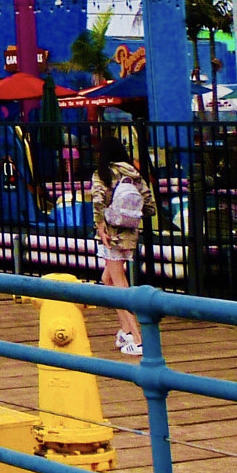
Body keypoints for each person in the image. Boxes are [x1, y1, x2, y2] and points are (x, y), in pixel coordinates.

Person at [87, 135, 152, 357]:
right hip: (130, 233)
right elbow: (150, 205)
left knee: (119, 283)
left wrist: (100, 225)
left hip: (110, 233)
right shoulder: (134, 174)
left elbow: (97, 201)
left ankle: (138, 337)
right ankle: (125, 331)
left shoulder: (103, 173)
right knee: (107, 279)